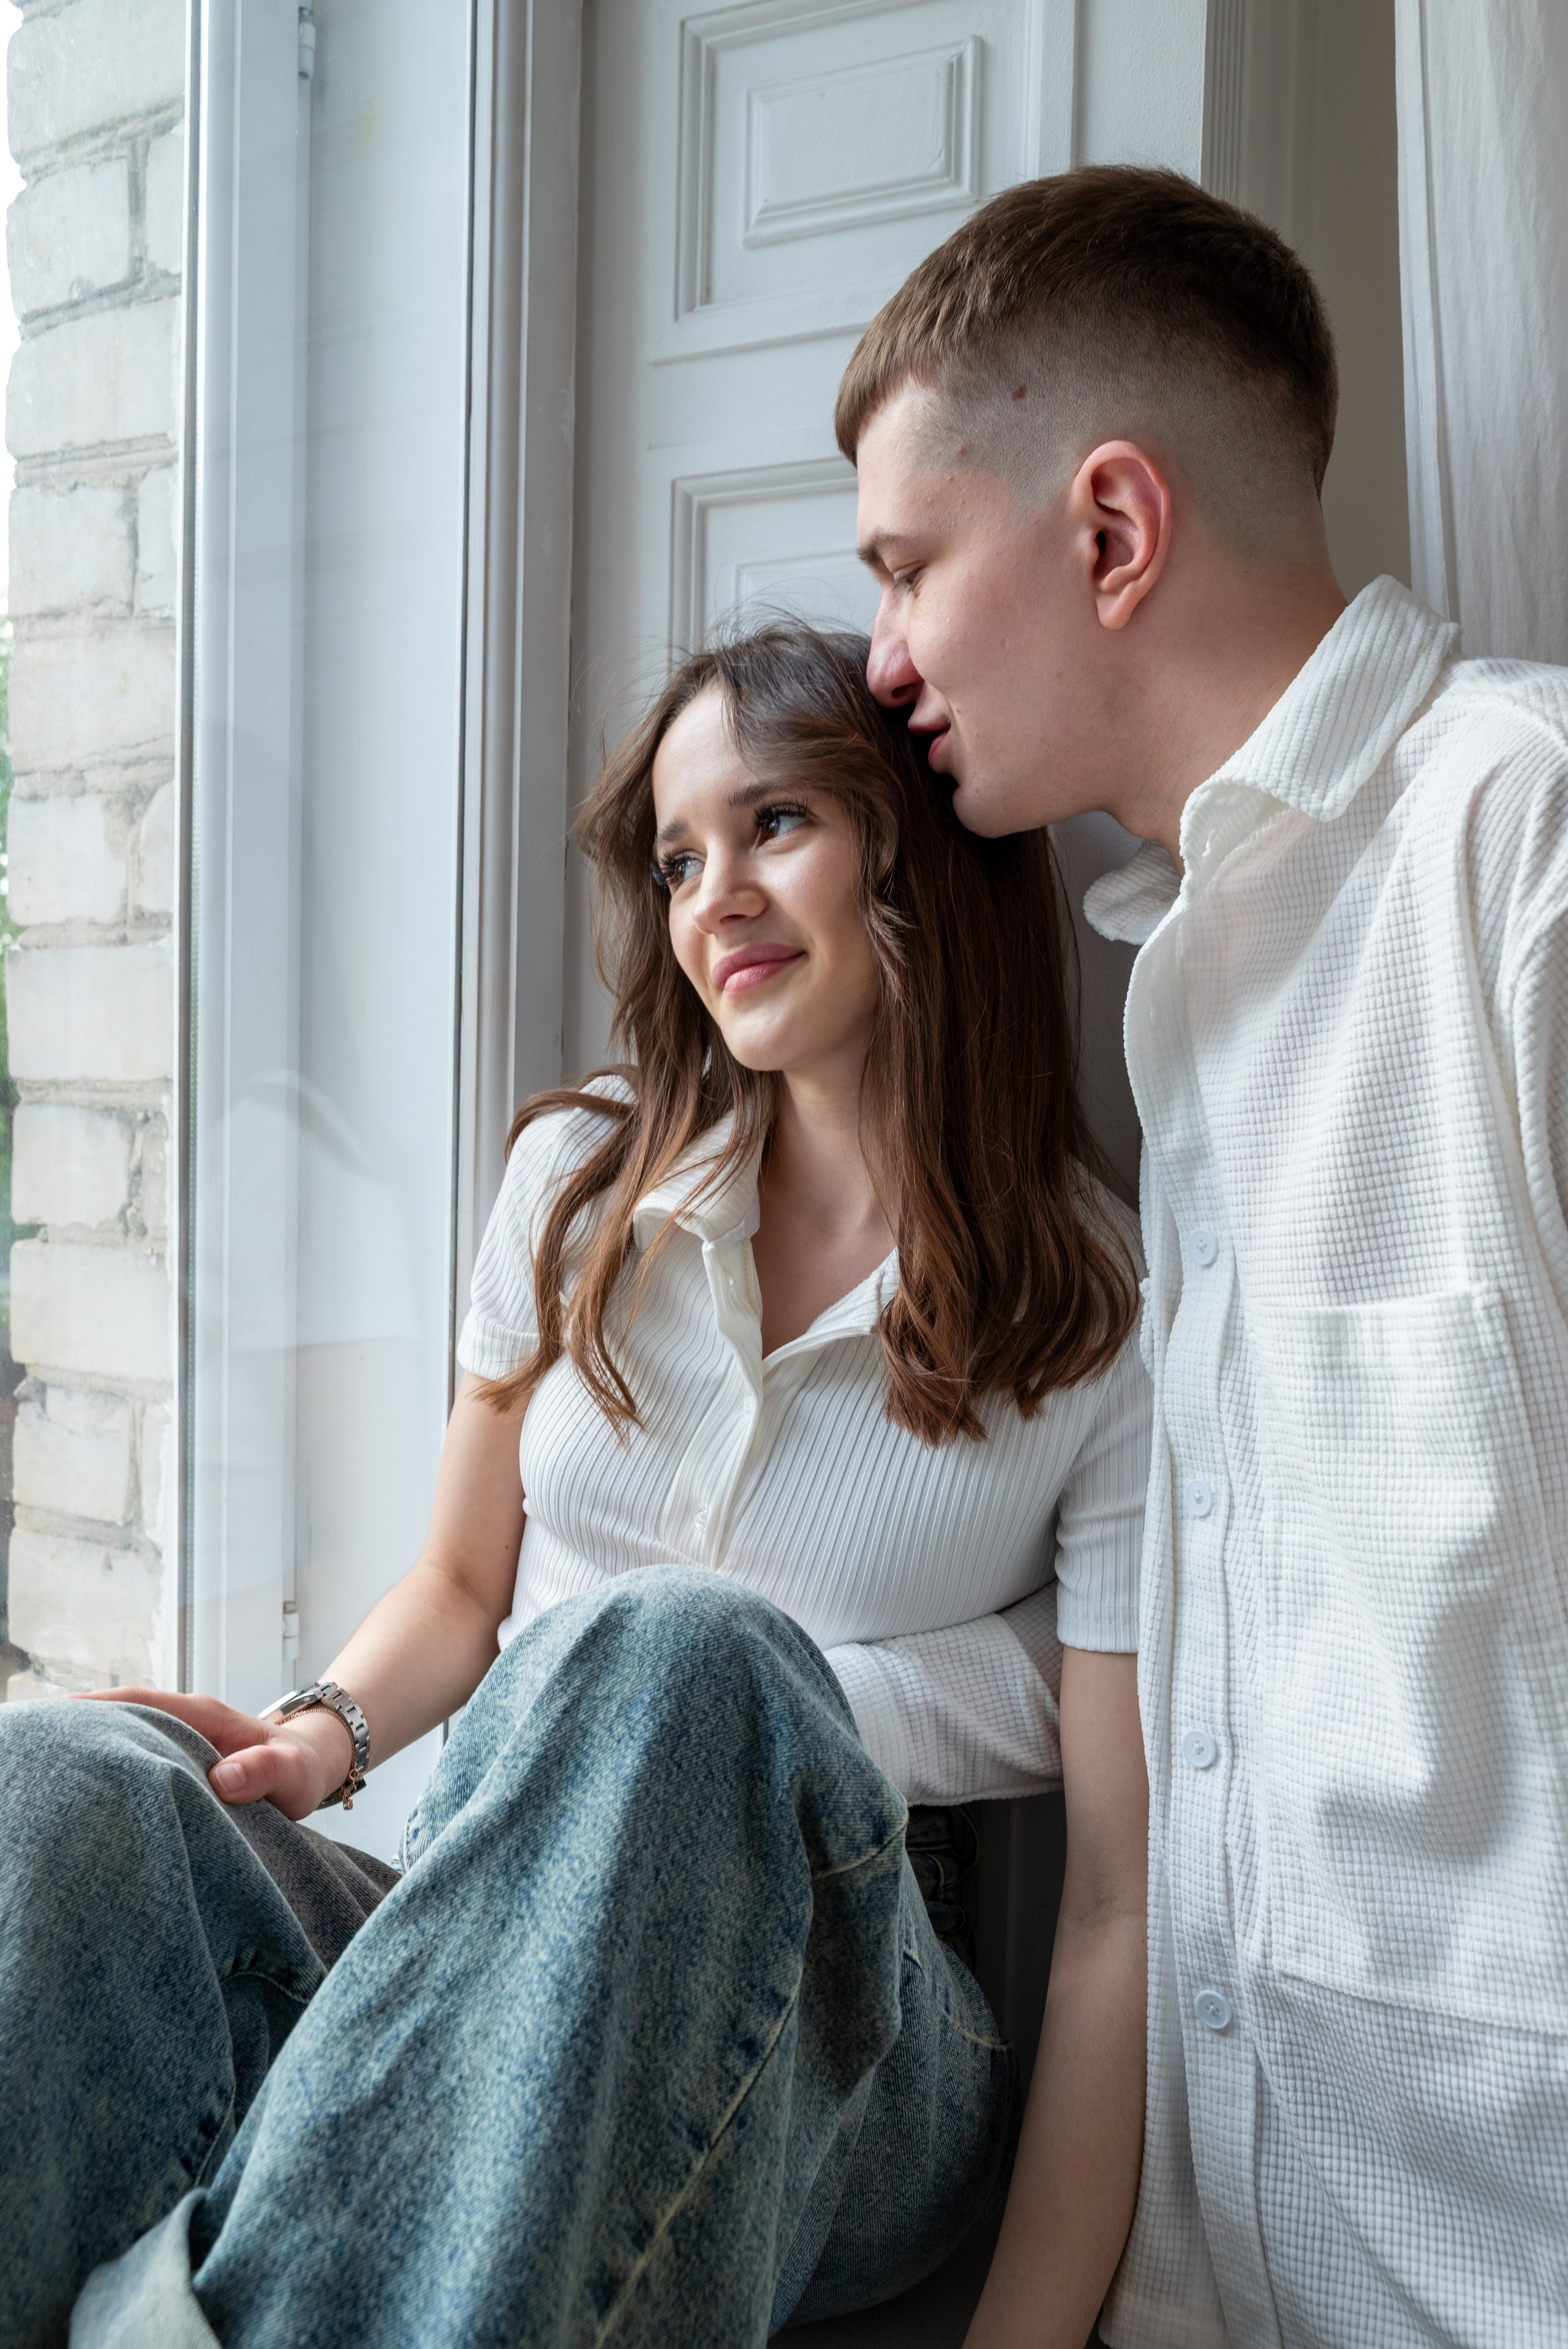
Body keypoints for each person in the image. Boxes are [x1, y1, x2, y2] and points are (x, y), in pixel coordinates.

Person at [0, 625, 1152, 2349]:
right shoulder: (577, 1184)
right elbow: (462, 1586)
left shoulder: (1100, 1310)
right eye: (680, 859)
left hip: (846, 2025)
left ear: (917, 846)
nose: (715, 899)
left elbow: (1120, 1896)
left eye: (774, 823)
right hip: (470, 1903)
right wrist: (315, 1738)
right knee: (63, 1786)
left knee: (680, 1651)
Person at [841, 165, 1568, 2349]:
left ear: (1111, 530)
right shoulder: (1172, 993)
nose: (883, 659)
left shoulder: (1526, 852)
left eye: (907, 568)